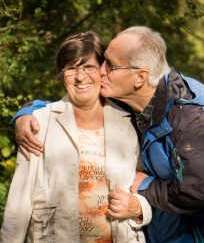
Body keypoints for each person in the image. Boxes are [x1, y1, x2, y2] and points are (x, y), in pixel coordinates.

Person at [11, 26, 204, 242]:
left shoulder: (189, 121)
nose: (100, 72)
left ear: (140, 77)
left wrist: (145, 185)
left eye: (110, 65)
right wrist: (25, 113)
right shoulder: (134, 103)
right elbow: (74, 102)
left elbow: (201, 190)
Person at [0, 31, 152, 243]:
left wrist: (140, 207)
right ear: (62, 74)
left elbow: (147, 187)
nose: (80, 77)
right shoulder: (40, 122)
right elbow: (18, 204)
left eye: (89, 67)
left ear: (103, 70)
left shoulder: (130, 123)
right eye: (71, 68)